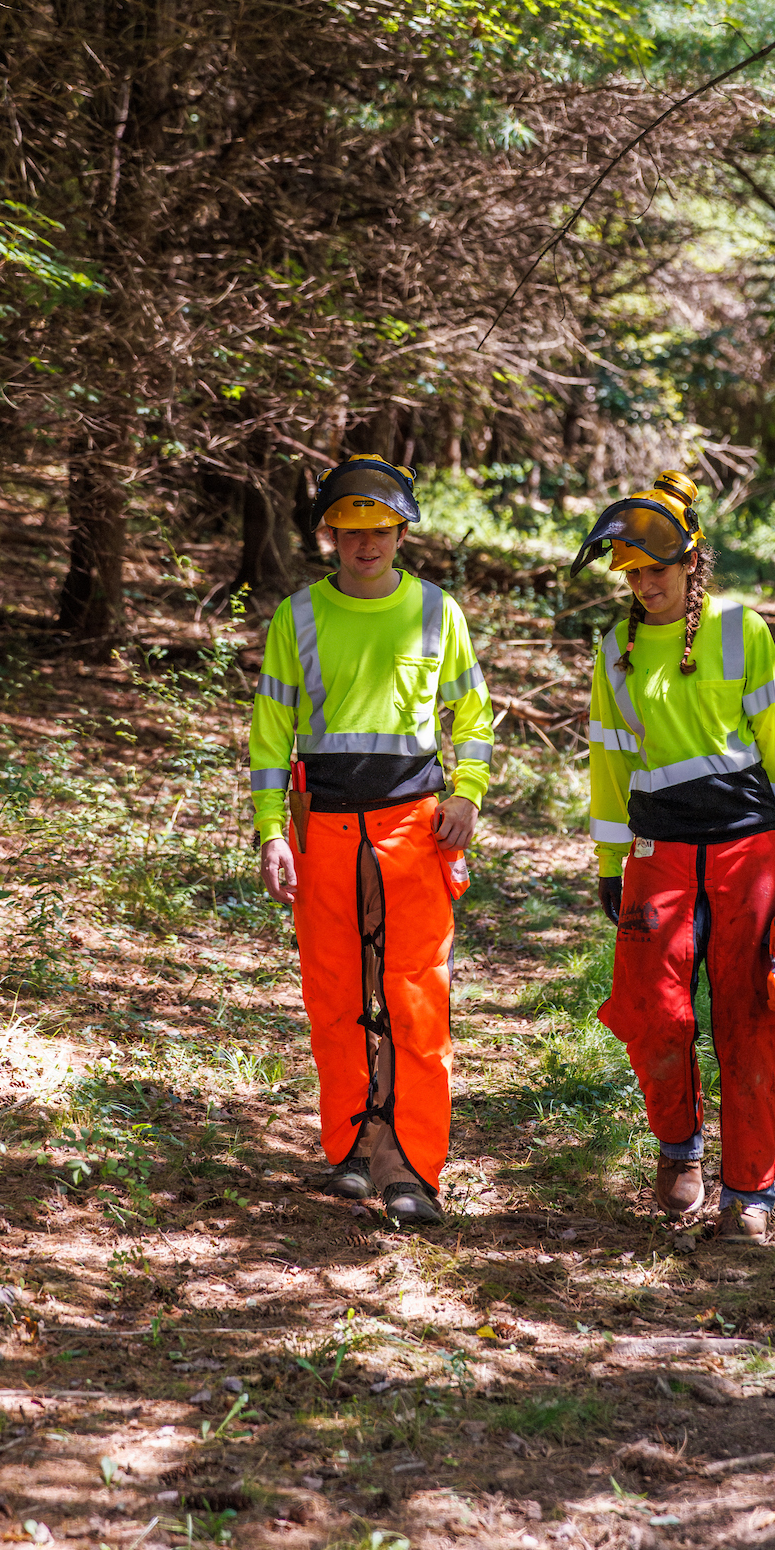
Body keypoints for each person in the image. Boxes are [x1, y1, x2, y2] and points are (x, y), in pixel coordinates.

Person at [574, 469, 775, 1239]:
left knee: (752, 1018)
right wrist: (609, 864)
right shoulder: (614, 647)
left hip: (748, 849)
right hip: (657, 849)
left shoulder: (739, 630)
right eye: (632, 573)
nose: (646, 584)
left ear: (690, 562)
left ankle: (749, 1193)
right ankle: (677, 1148)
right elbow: (609, 761)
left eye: (658, 569)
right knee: (652, 1012)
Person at [248, 455, 493, 1228]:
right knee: (334, 995)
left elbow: (474, 718)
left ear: (400, 533)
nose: (365, 545)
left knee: (417, 996)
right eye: (350, 531)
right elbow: (269, 735)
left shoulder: (435, 610)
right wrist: (269, 834)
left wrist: (467, 795)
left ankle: (412, 1166)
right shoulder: (299, 617)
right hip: (321, 830)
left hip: (413, 831)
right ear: (328, 535)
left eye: (379, 531)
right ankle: (353, 1148)